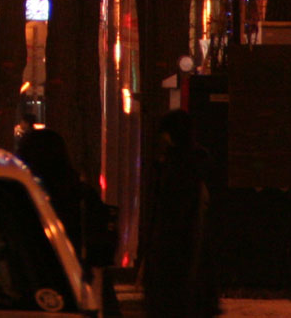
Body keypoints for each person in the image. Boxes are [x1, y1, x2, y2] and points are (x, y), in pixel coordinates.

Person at [139, 109, 215, 318]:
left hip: (173, 257)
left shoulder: (174, 167)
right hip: (188, 260)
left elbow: (167, 216)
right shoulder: (196, 163)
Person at [17, 127, 117, 268]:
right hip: (75, 278)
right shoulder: (82, 195)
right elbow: (102, 246)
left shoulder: (20, 197)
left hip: (32, 276)